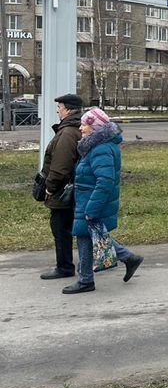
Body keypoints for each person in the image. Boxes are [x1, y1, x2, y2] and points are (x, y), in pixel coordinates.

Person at [62, 107, 143, 295]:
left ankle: (86, 280)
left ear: (95, 127)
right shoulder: (96, 147)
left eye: (84, 124)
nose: (80, 128)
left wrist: (92, 208)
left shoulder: (101, 149)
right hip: (87, 200)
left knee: (86, 236)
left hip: (91, 201)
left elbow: (105, 181)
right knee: (92, 236)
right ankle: (128, 258)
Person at [39, 93, 83, 280]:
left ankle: (64, 267)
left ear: (67, 110)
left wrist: (50, 187)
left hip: (63, 190)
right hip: (72, 187)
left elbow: (61, 166)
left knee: (60, 228)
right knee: (72, 227)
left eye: (59, 108)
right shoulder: (73, 128)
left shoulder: (67, 133)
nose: (58, 111)